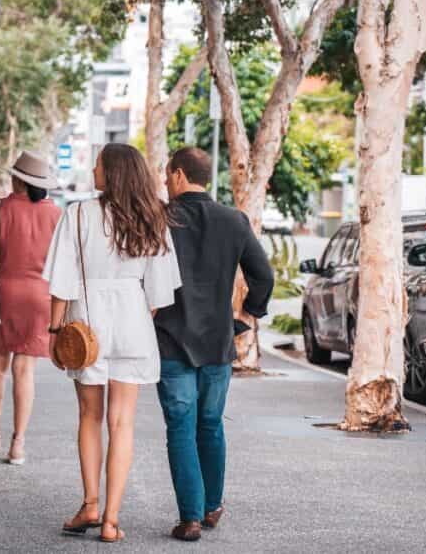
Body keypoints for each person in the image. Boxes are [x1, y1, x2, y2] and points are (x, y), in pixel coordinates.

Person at [43, 143, 182, 544]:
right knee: (122, 422)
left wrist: (56, 331)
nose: (93, 172)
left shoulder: (79, 214)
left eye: (99, 165)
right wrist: (135, 316)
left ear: (113, 172)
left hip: (87, 321)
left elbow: (63, 279)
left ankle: (89, 503)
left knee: (90, 416)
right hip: (134, 320)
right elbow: (159, 294)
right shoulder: (154, 215)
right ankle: (111, 519)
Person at [154, 146, 273, 541]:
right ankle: (212, 506)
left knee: (181, 428)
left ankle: (189, 518)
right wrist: (248, 314)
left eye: (167, 175)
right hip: (219, 342)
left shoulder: (160, 220)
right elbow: (264, 276)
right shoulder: (234, 220)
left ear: (178, 175)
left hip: (172, 340)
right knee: (210, 423)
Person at [0, 151, 61, 466]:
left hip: (2, 295)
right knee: (25, 372)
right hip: (40, 298)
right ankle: (18, 444)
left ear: (18, 179)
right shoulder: (55, 215)